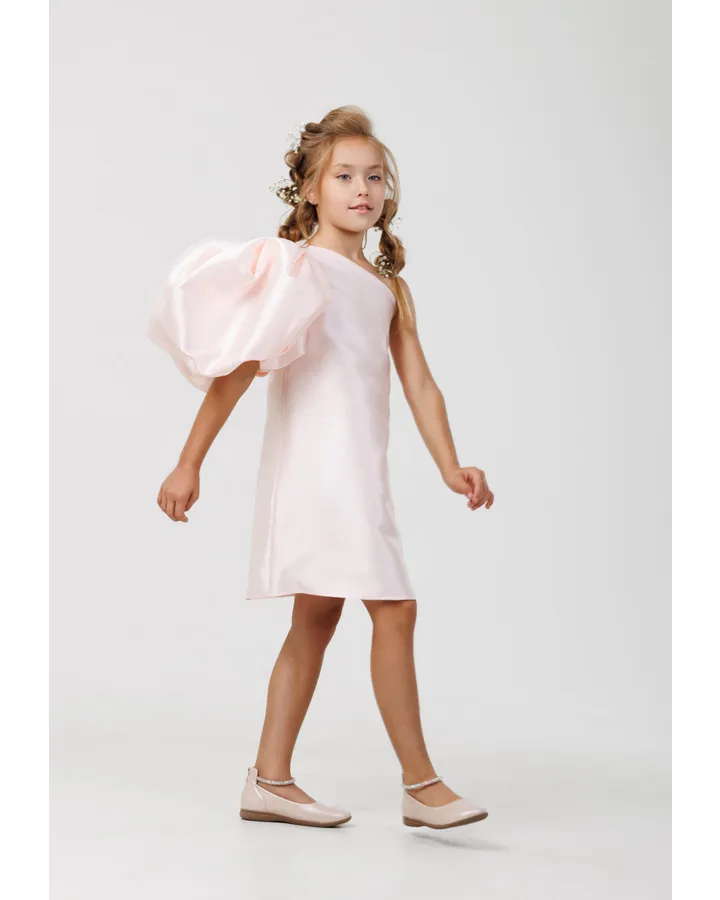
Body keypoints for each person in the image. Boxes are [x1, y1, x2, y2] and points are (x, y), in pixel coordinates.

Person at [148, 105, 494, 830]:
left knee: (317, 616)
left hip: (360, 470)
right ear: (309, 189)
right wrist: (188, 462)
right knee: (394, 608)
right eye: (343, 176)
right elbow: (237, 374)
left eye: (374, 177)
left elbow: (419, 382)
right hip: (315, 470)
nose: (361, 189)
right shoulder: (295, 270)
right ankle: (421, 784)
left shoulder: (389, 287)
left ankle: (269, 780)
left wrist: (449, 464)